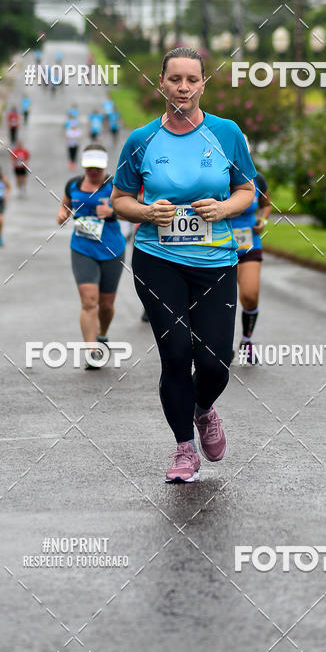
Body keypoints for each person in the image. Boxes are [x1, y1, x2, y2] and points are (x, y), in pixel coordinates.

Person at [111, 47, 256, 483]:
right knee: (175, 354)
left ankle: (203, 409)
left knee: (215, 361)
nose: (183, 87)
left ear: (203, 84)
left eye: (192, 79)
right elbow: (119, 200)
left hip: (215, 260)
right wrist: (146, 213)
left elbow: (247, 191)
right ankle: (183, 450)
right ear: (161, 83)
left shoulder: (227, 133)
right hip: (158, 261)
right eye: (175, 79)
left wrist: (224, 208)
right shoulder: (141, 140)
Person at [57, 144, 126, 369]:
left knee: (106, 305)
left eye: (98, 167)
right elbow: (66, 203)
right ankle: (91, 351)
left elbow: (136, 209)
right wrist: (62, 213)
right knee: (89, 301)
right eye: (90, 167)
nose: (94, 172)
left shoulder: (116, 185)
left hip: (112, 249)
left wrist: (113, 212)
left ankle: (102, 334)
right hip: (82, 248)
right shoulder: (74, 184)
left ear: (105, 166)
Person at [230, 143, 271, 363]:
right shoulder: (214, 178)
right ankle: (221, 345)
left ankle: (246, 340)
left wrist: (262, 220)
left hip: (248, 246)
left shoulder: (258, 179)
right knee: (220, 303)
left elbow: (266, 205)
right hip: (218, 248)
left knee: (249, 295)